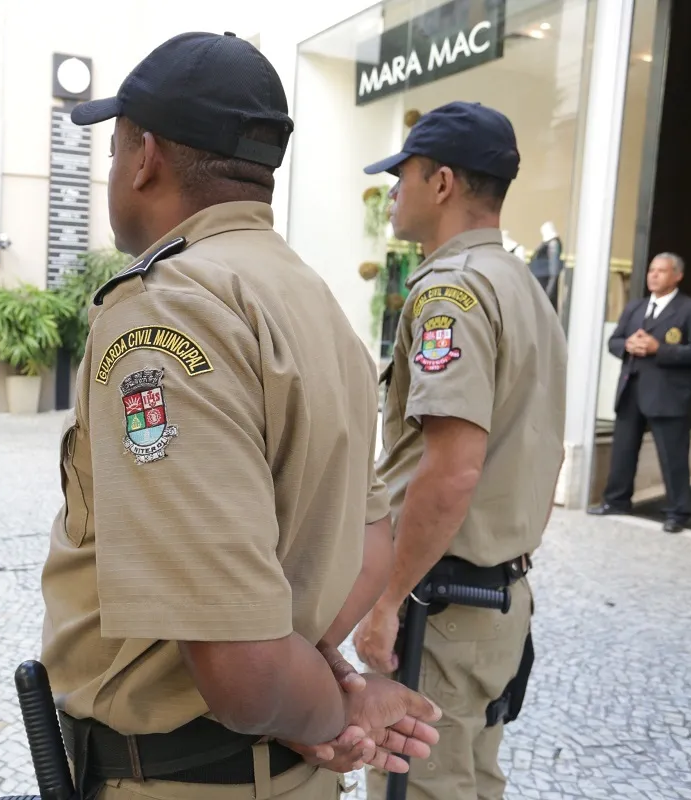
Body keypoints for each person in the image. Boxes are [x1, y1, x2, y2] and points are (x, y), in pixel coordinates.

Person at [39, 32, 441, 800]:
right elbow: (368, 546)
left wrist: (329, 713)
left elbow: (245, 674)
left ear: (144, 156)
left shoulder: (168, 310)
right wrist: (328, 684)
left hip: (181, 779)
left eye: (115, 150)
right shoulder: (317, 304)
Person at [352, 102, 567, 800]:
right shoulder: (522, 288)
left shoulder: (452, 292)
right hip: (496, 598)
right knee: (471, 782)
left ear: (441, 183)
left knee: (417, 786)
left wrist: (387, 600)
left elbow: (451, 469)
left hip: (440, 609)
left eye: (403, 176)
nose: (394, 192)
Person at [590, 252, 691, 533]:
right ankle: (616, 500)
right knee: (623, 451)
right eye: (651, 270)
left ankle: (678, 511)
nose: (654, 275)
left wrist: (658, 349)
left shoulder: (689, 310)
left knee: (672, 456)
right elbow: (614, 341)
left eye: (662, 271)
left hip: (667, 394)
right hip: (631, 389)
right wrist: (627, 345)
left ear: (677, 276)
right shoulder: (636, 308)